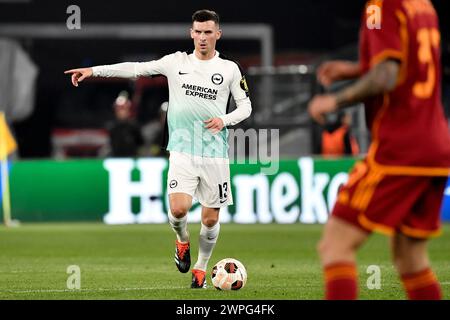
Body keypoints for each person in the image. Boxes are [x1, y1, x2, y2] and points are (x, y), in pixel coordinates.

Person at [64, 9, 252, 289]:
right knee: (178, 210)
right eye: (198, 32)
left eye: (208, 32)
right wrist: (94, 71)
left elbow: (246, 106)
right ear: (191, 33)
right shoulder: (175, 62)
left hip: (215, 154)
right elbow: (135, 68)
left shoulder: (229, 69)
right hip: (182, 151)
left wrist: (223, 119)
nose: (202, 38)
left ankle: (200, 268)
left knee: (210, 218)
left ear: (217, 34)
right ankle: (182, 241)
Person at [308, 0, 450, 300]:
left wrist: (335, 100)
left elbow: (386, 75)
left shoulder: (381, 6)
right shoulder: (422, 6)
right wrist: (356, 69)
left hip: (400, 148)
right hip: (435, 146)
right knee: (411, 259)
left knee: (335, 244)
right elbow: (408, 66)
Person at [106, 91, 144, 157]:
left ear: (128, 110)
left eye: (123, 109)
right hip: (116, 158)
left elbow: (140, 143)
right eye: (119, 109)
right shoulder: (111, 127)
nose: (121, 112)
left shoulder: (134, 126)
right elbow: (110, 145)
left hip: (132, 158)